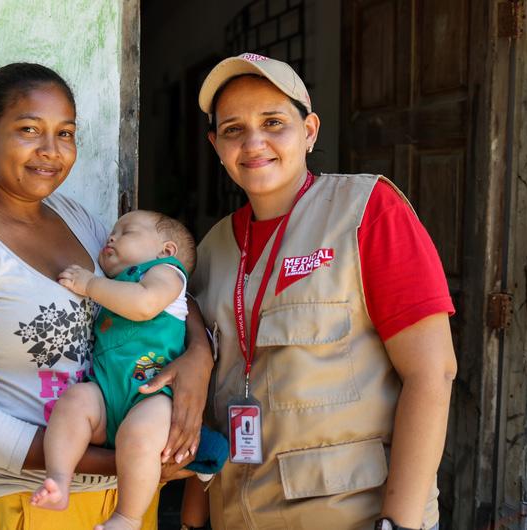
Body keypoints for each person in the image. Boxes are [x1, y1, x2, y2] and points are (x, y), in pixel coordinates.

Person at [0, 62, 213, 530]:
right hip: (33, 502)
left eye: (65, 133)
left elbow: (158, 287)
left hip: (128, 501)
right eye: (29, 130)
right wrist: (125, 459)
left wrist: (199, 354)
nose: (51, 151)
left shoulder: (77, 219)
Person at [189, 53, 457, 530]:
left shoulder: (367, 211)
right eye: (233, 129)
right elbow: (208, 400)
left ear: (309, 131)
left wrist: (398, 524)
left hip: (355, 517)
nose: (254, 142)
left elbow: (432, 374)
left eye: (273, 122)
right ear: (216, 145)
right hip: (237, 515)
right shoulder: (211, 250)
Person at [29, 210, 224, 530]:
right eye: (113, 231)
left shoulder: (166, 273)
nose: (112, 236)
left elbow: (144, 304)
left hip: (152, 393)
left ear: (166, 250)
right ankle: (58, 480)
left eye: (127, 231)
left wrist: (90, 284)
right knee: (74, 401)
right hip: (106, 391)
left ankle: (127, 517)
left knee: (140, 437)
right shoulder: (116, 282)